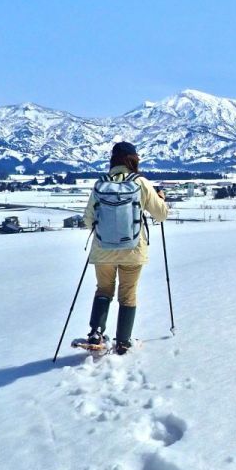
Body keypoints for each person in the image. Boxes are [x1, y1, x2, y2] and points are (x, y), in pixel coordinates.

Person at [83, 141, 169, 354]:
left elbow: (88, 219)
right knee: (128, 293)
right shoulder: (140, 183)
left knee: (103, 289)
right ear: (133, 159)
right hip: (132, 250)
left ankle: (96, 333)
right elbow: (161, 215)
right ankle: (123, 341)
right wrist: (160, 199)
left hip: (103, 250)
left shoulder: (100, 184)